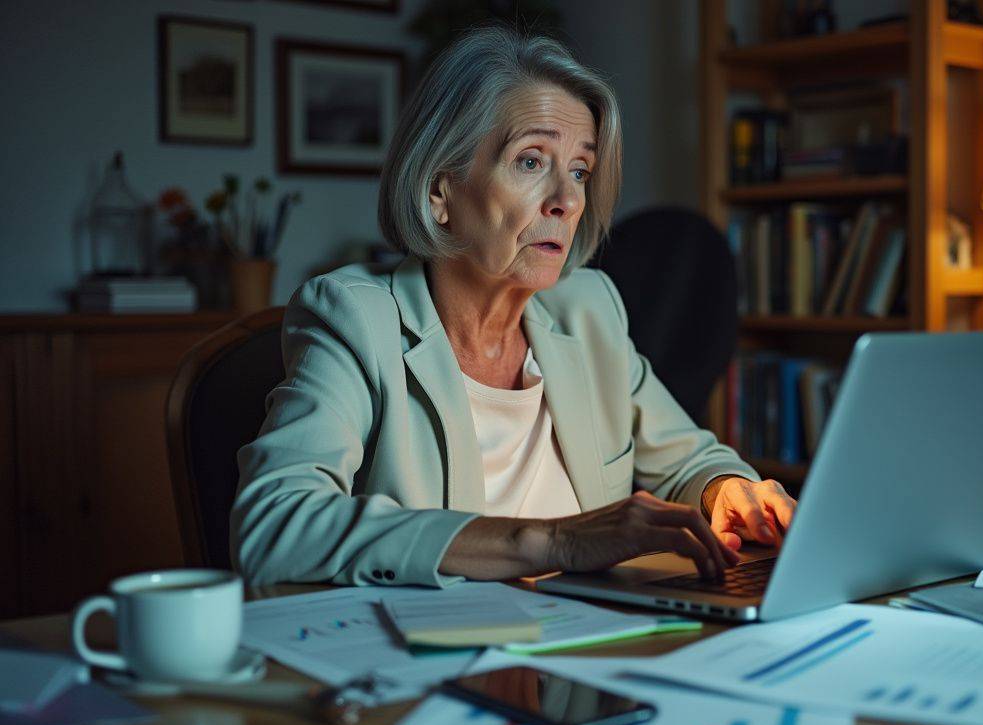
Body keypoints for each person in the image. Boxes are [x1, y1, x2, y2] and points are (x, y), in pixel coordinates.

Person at [231, 27, 797, 588]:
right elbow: (274, 525)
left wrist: (728, 491)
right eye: (531, 161)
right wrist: (554, 540)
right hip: (441, 661)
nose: (569, 200)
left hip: (588, 654)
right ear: (440, 188)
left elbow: (686, 461)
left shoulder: (590, 310)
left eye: (579, 169)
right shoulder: (356, 319)